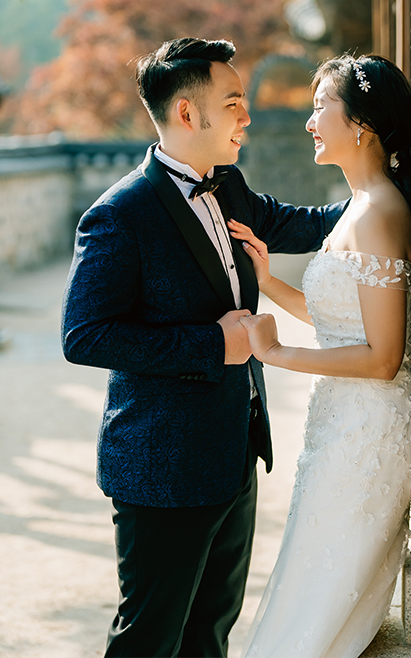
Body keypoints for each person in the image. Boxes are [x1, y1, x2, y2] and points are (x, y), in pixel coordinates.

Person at [61, 37, 346, 658]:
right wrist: (211, 343)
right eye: (235, 102)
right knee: (150, 638)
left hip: (234, 450)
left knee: (210, 633)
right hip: (161, 464)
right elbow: (83, 336)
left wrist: (383, 191)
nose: (248, 116)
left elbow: (306, 222)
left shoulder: (232, 186)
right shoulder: (119, 215)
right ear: (188, 114)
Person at [229, 54, 411, 658]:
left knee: (318, 603)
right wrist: (267, 279)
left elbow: (383, 356)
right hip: (343, 425)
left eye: (321, 106)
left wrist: (278, 353)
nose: (310, 120)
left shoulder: (376, 216)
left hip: (369, 434)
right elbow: (347, 322)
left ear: (361, 123)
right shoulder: (359, 209)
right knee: (311, 588)